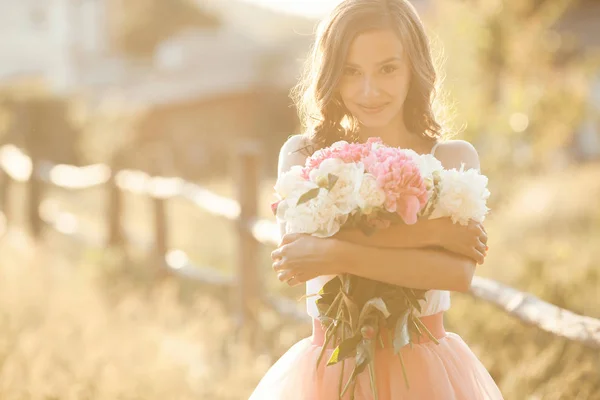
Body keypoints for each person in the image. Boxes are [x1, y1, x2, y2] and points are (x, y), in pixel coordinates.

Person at [249, 0, 504, 398]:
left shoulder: (453, 159)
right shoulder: (303, 156)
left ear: (414, 68)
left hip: (427, 376)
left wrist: (335, 253)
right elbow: (297, 258)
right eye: (351, 71)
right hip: (329, 373)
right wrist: (432, 232)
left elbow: (457, 275)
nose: (369, 90)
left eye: (387, 68)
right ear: (331, 74)